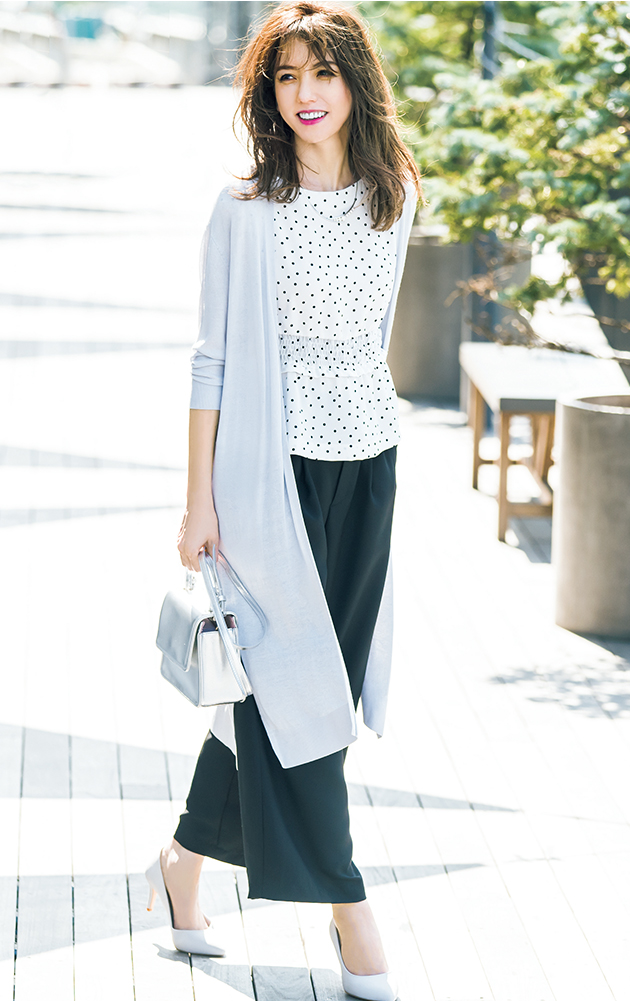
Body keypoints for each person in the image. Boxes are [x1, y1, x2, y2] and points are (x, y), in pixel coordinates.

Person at [145, 3, 421, 999]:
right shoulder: (246, 210)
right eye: (285, 76)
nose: (304, 94)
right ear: (268, 92)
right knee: (305, 697)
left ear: (355, 83)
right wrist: (199, 502)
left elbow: (376, 338)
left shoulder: (395, 195)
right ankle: (350, 910)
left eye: (322, 73)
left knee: (297, 689)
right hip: (270, 480)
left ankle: (183, 865)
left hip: (370, 464)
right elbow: (212, 361)